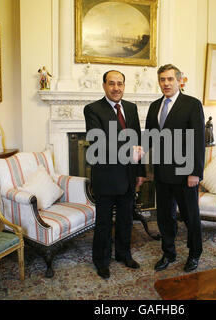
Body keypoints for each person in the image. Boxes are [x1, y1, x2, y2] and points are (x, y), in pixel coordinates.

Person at [84, 70, 145, 279]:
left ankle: (123, 254)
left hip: (128, 176)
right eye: (111, 83)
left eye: (120, 83)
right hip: (106, 177)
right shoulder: (92, 110)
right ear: (104, 86)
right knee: (103, 223)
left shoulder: (131, 108)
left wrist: (140, 171)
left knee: (126, 219)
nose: (116, 88)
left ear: (124, 86)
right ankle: (101, 261)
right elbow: (98, 143)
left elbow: (138, 140)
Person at [145, 64, 205, 272]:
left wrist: (195, 172)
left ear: (180, 81)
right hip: (161, 173)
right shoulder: (154, 106)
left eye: (170, 79)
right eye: (162, 79)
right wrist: (149, 169)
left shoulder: (192, 104)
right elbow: (151, 139)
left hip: (185, 173)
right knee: (164, 216)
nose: (166, 83)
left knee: (190, 216)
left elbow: (198, 140)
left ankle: (195, 253)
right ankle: (168, 253)